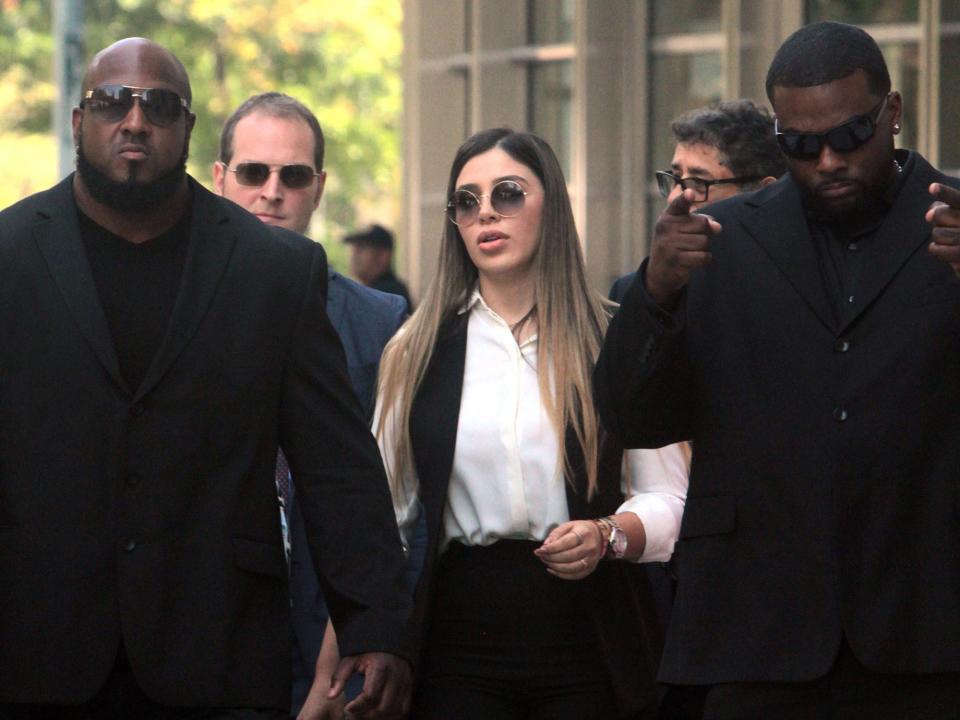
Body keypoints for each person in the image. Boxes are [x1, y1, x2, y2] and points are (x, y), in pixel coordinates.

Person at [0, 38, 411, 719]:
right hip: (38, 650)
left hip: (218, 650)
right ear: (78, 122)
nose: (135, 121)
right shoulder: (9, 259)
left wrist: (377, 624)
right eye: (111, 103)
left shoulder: (274, 272)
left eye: (159, 105)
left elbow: (337, 464)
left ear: (188, 129)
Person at [596, 21, 960, 719]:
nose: (827, 160)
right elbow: (635, 416)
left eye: (849, 136)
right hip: (757, 638)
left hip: (928, 630)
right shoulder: (726, 240)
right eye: (800, 145)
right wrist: (658, 292)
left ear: (893, 112)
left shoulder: (950, 222)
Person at [373, 127, 686, 719]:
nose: (486, 212)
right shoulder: (415, 351)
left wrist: (608, 534)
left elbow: (669, 497)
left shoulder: (612, 339)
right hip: (458, 639)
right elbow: (378, 517)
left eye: (509, 193)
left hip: (592, 634)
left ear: (552, 205)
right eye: (467, 202)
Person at [213, 92, 414, 720]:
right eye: (253, 172)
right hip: (210, 642)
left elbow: (399, 501)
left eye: (293, 176)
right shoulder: (180, 314)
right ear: (219, 179)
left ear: (319, 188)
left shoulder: (382, 323)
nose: (272, 191)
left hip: (339, 642)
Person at [609, 99, 784, 302]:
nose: (675, 197)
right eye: (675, 178)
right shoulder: (637, 291)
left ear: (763, 192)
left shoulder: (792, 285)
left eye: (699, 182)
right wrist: (657, 290)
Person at [344, 224, 413, 309]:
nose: (354, 254)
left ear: (383, 256)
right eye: (353, 248)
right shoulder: (370, 291)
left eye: (362, 247)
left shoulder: (389, 294)